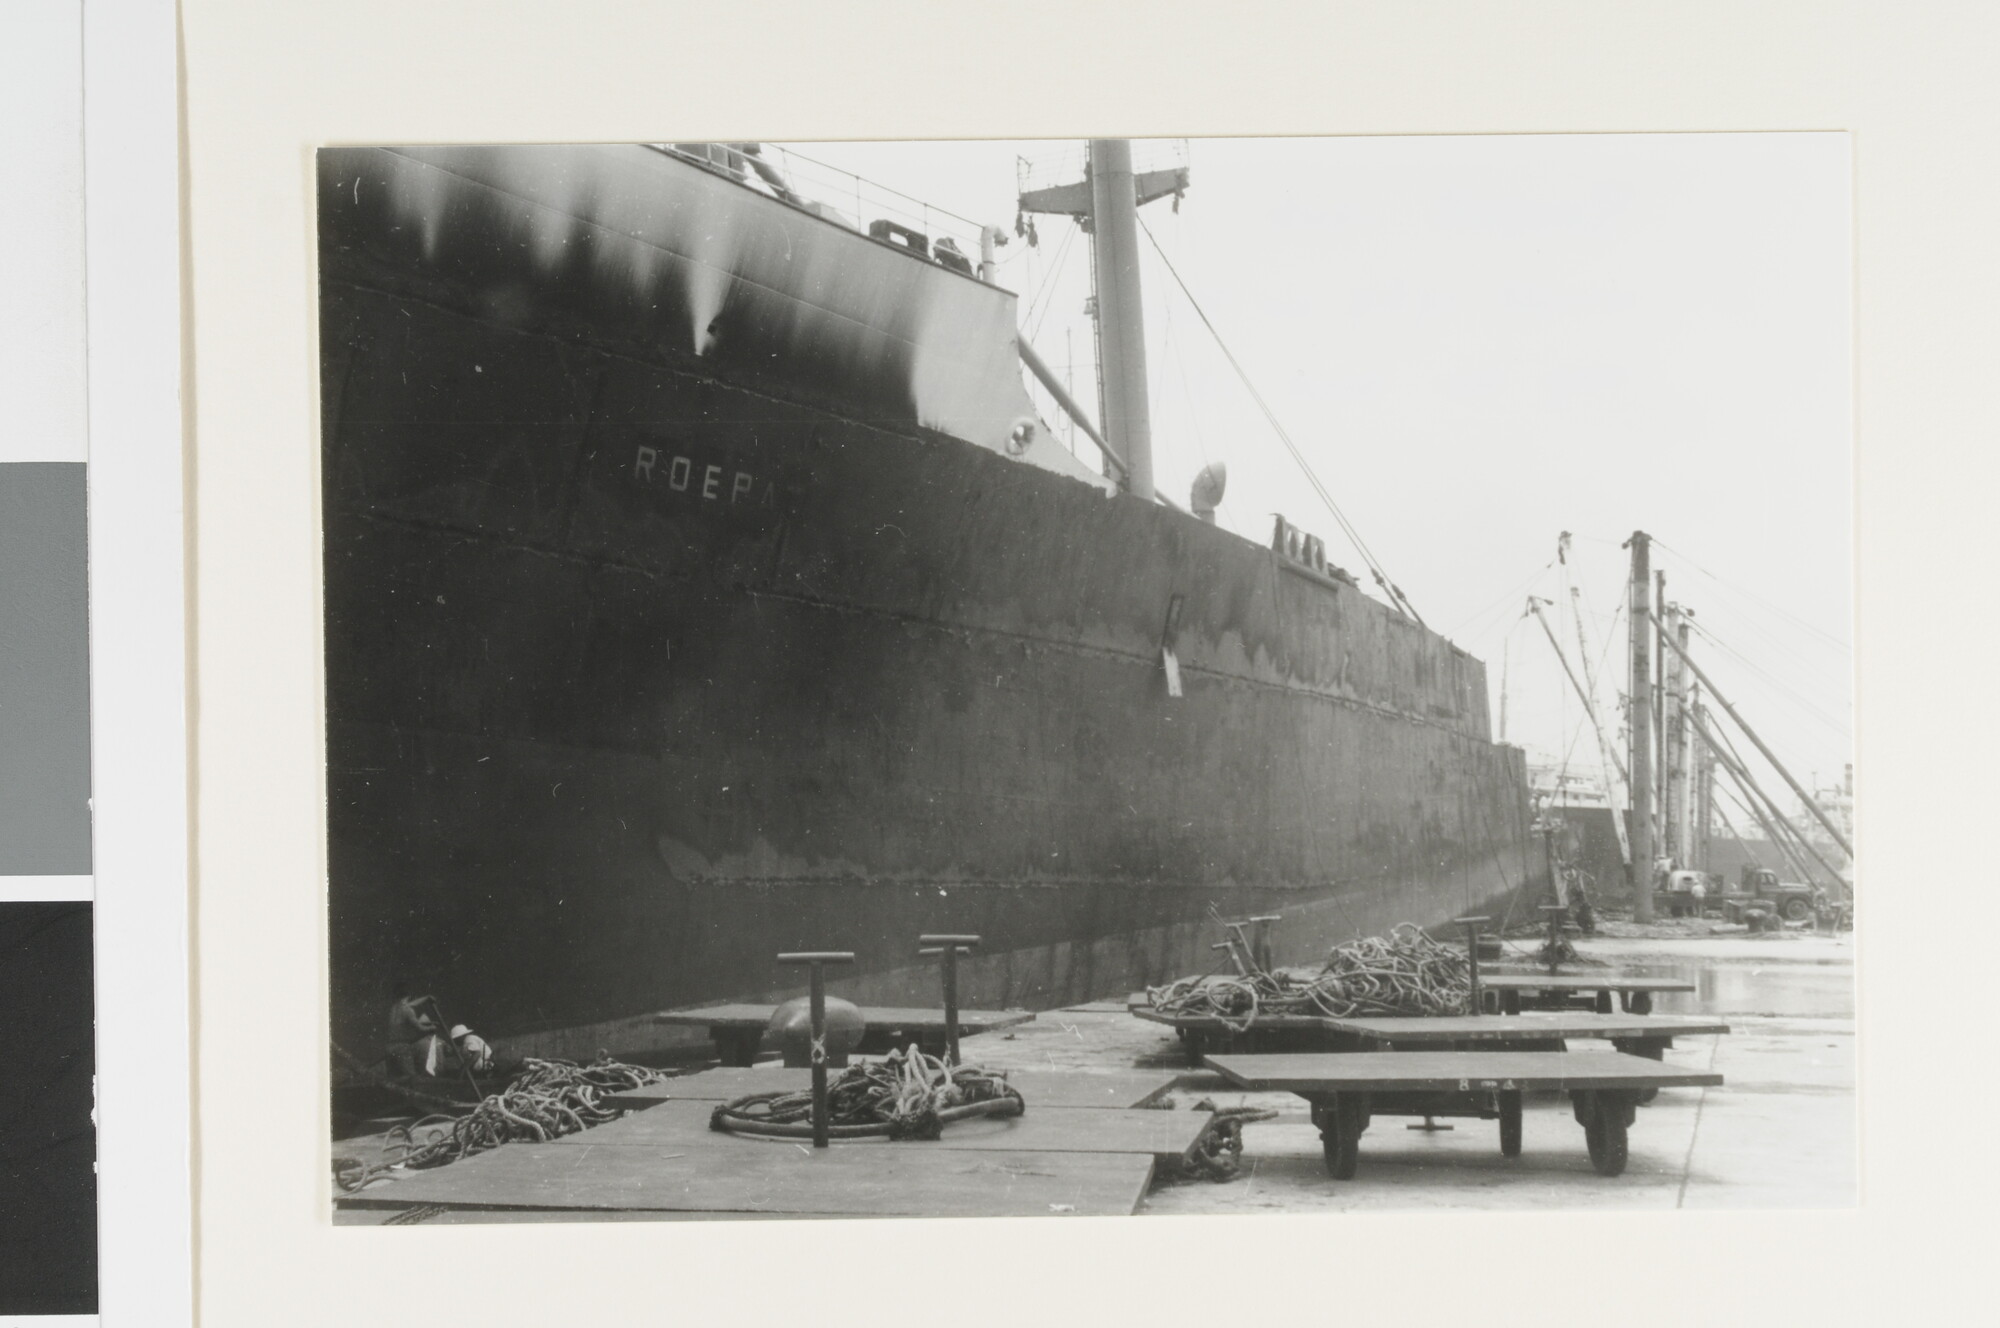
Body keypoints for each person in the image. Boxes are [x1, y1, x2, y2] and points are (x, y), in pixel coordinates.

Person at [384, 980, 439, 1079]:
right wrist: (432, 1027)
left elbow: (412, 1004)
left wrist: (426, 998)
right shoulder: (408, 1010)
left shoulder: (393, 1008)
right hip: (401, 1047)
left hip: (389, 1047)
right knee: (411, 1077)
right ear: (408, 996)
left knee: (392, 1077)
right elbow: (420, 1028)